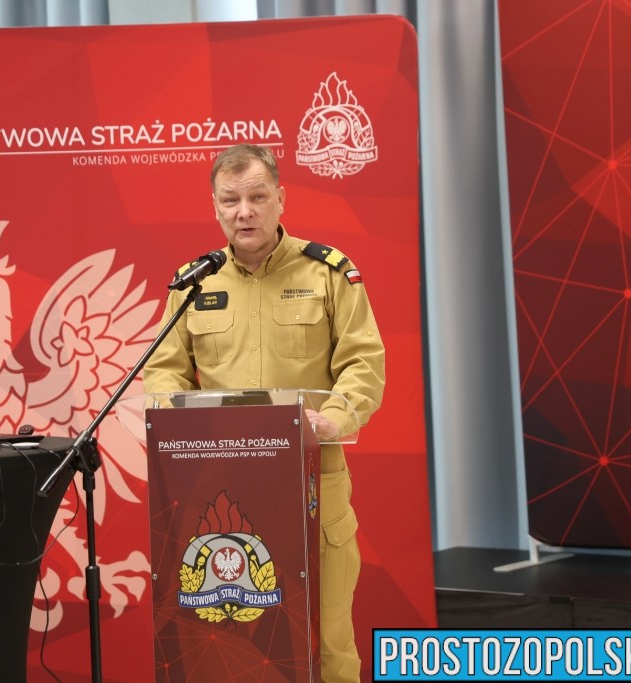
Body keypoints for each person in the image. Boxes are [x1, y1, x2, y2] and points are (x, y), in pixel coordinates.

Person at [142, 143, 385, 682]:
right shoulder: (194, 283)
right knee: (228, 642)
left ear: (281, 198)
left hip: (311, 484)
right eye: (230, 200)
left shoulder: (328, 273)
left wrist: (335, 418)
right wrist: (177, 421)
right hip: (220, 487)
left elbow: (363, 362)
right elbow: (163, 372)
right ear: (215, 206)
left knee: (327, 642)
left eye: (256, 197)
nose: (244, 212)